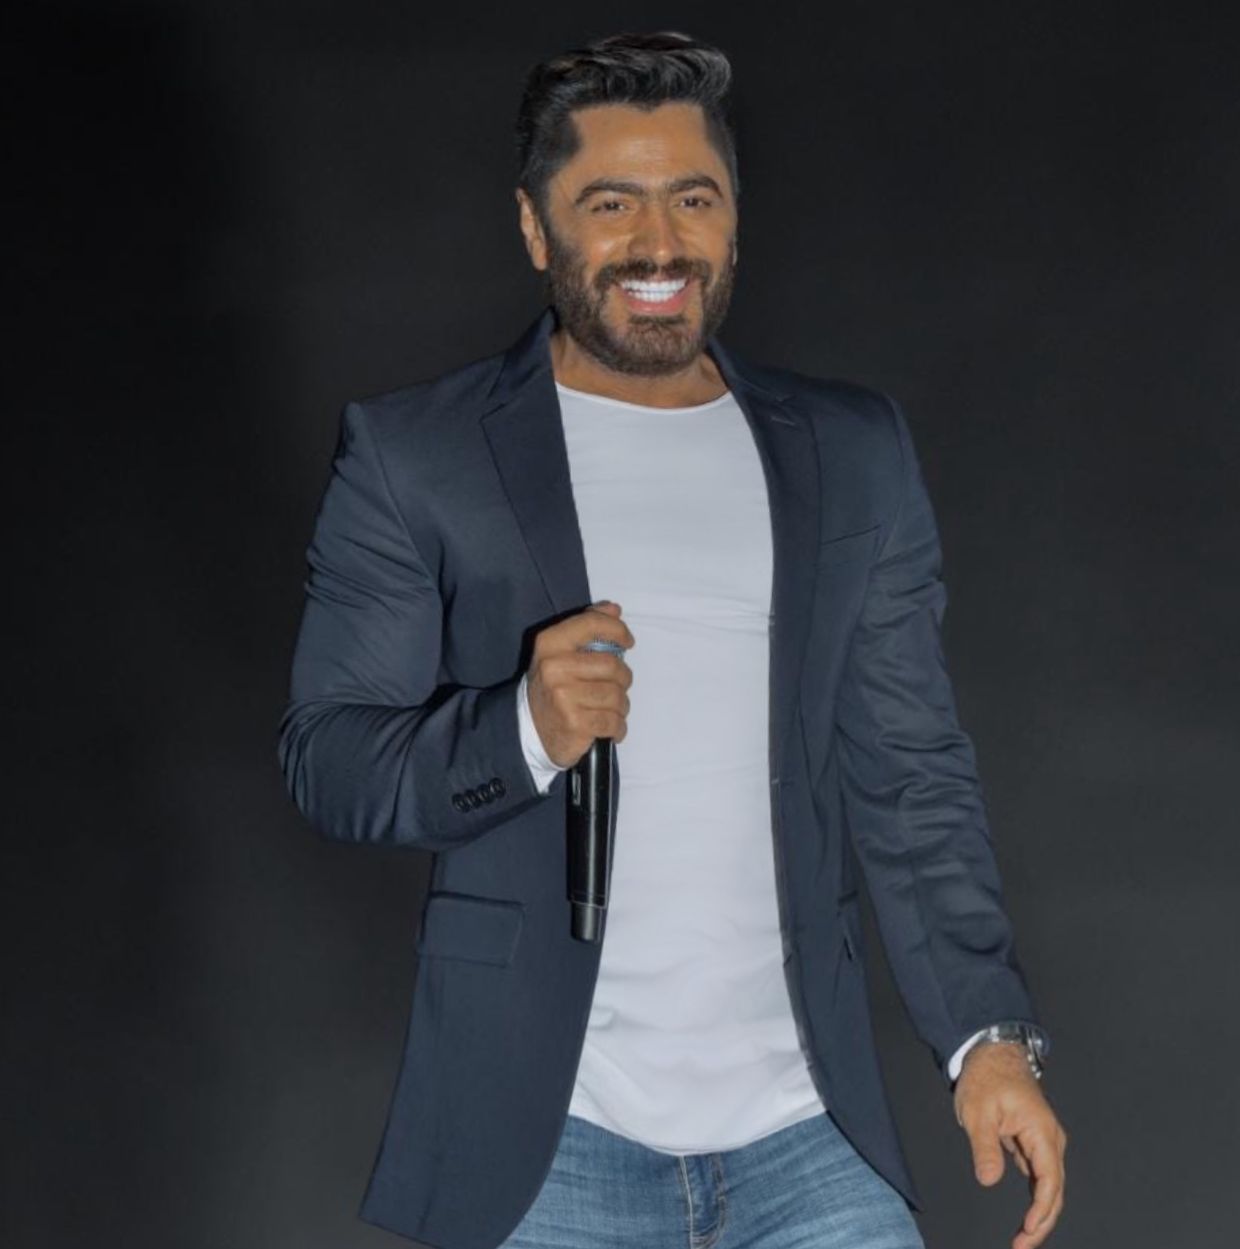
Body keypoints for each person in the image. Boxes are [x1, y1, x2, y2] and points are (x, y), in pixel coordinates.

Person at [277, 29, 1067, 1249]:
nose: (659, 243)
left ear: (734, 222)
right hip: (544, 1149)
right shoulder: (418, 456)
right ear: (537, 229)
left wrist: (988, 1040)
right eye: (612, 203)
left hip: (808, 1137)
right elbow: (328, 758)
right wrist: (521, 730)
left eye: (693, 199)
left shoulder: (850, 452)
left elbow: (912, 777)